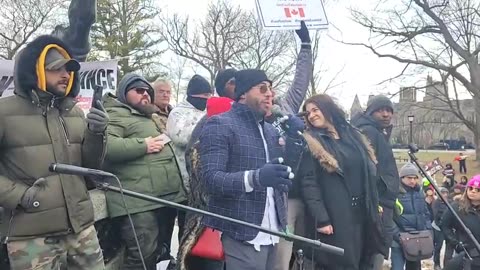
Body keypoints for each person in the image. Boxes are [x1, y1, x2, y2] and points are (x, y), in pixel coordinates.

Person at [0, 35, 108, 270]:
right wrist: (20, 196)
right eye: (55, 69)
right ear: (34, 69)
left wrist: (97, 133)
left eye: (68, 69)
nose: (65, 74)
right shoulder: (3, 112)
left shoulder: (75, 113)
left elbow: (90, 167)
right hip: (31, 237)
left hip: (81, 229)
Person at [199, 69, 292, 270]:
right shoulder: (220, 124)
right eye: (263, 88)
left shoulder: (269, 129)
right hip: (241, 230)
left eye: (271, 89)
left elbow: (281, 172)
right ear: (242, 93)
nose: (270, 94)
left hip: (274, 229)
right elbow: (210, 179)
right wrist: (255, 178)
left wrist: (296, 143)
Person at [102, 73, 185, 270]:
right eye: (138, 91)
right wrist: (143, 145)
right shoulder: (114, 114)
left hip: (161, 196)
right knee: (142, 256)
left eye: (147, 91)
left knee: (159, 251)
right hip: (136, 200)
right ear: (123, 93)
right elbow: (107, 147)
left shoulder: (148, 115)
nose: (145, 95)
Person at [297, 94, 384, 270]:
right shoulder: (312, 142)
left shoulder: (353, 135)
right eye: (308, 113)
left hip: (362, 212)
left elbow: (367, 172)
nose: (311, 115)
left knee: (365, 259)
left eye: (315, 109)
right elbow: (309, 184)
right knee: (342, 263)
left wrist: (375, 203)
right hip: (336, 215)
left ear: (328, 108)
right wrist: (321, 219)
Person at [351, 95, 399, 268]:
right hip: (377, 202)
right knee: (376, 250)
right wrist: (381, 193)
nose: (386, 114)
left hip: (382, 200)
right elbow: (367, 169)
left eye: (389, 110)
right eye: (380, 110)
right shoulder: (369, 132)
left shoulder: (376, 131)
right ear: (370, 112)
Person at [391, 163, 432, 270]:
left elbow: (426, 214)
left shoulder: (419, 192)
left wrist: (427, 230)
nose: (412, 181)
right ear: (402, 178)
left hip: (416, 239)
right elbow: (388, 217)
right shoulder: (394, 193)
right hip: (399, 239)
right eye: (409, 178)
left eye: (415, 178)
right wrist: (397, 234)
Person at [442, 175, 480, 270]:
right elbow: (444, 226)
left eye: (477, 189)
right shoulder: (456, 207)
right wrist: (456, 243)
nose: (473, 191)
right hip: (466, 255)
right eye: (470, 188)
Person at [432, 187, 454, 270]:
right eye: (442, 193)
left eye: (446, 193)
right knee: (438, 246)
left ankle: (447, 265)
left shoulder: (450, 202)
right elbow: (436, 216)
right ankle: (436, 264)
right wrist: (442, 225)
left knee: (449, 248)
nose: (444, 195)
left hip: (449, 228)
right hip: (438, 227)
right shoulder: (436, 203)